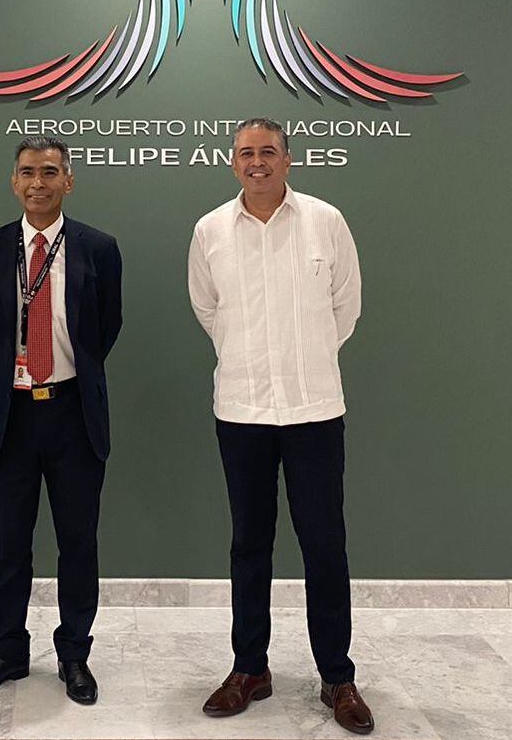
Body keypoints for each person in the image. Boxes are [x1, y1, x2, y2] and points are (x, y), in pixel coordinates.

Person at [187, 118, 374, 734]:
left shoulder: (326, 221)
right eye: (246, 153)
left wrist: (305, 357)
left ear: (288, 160)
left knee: (325, 546)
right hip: (241, 410)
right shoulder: (210, 231)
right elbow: (208, 309)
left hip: (313, 410)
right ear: (233, 162)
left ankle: (337, 676)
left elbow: (345, 307)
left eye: (268, 151)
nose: (257, 162)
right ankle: (250, 669)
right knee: (249, 544)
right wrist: (250, 358)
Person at [0, 136, 122, 705]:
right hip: (12, 415)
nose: (38, 183)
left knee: (78, 541)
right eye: (28, 172)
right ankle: (7, 651)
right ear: (14, 181)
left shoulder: (99, 248)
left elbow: (106, 329)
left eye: (50, 172)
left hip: (74, 414)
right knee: (10, 542)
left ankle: (74, 653)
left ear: (68, 181)